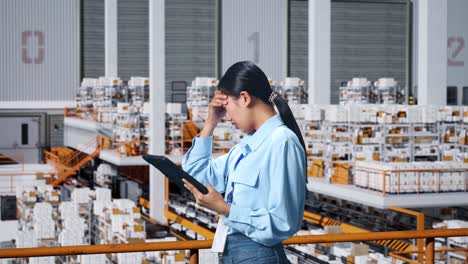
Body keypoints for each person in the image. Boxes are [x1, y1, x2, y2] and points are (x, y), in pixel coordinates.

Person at [182, 61, 306, 263]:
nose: (227, 116)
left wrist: (225, 209)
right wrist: (210, 122)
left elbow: (283, 222)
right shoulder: (244, 148)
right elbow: (196, 175)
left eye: (227, 107)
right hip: (232, 253)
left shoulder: (282, 142)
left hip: (258, 254)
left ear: (245, 98)